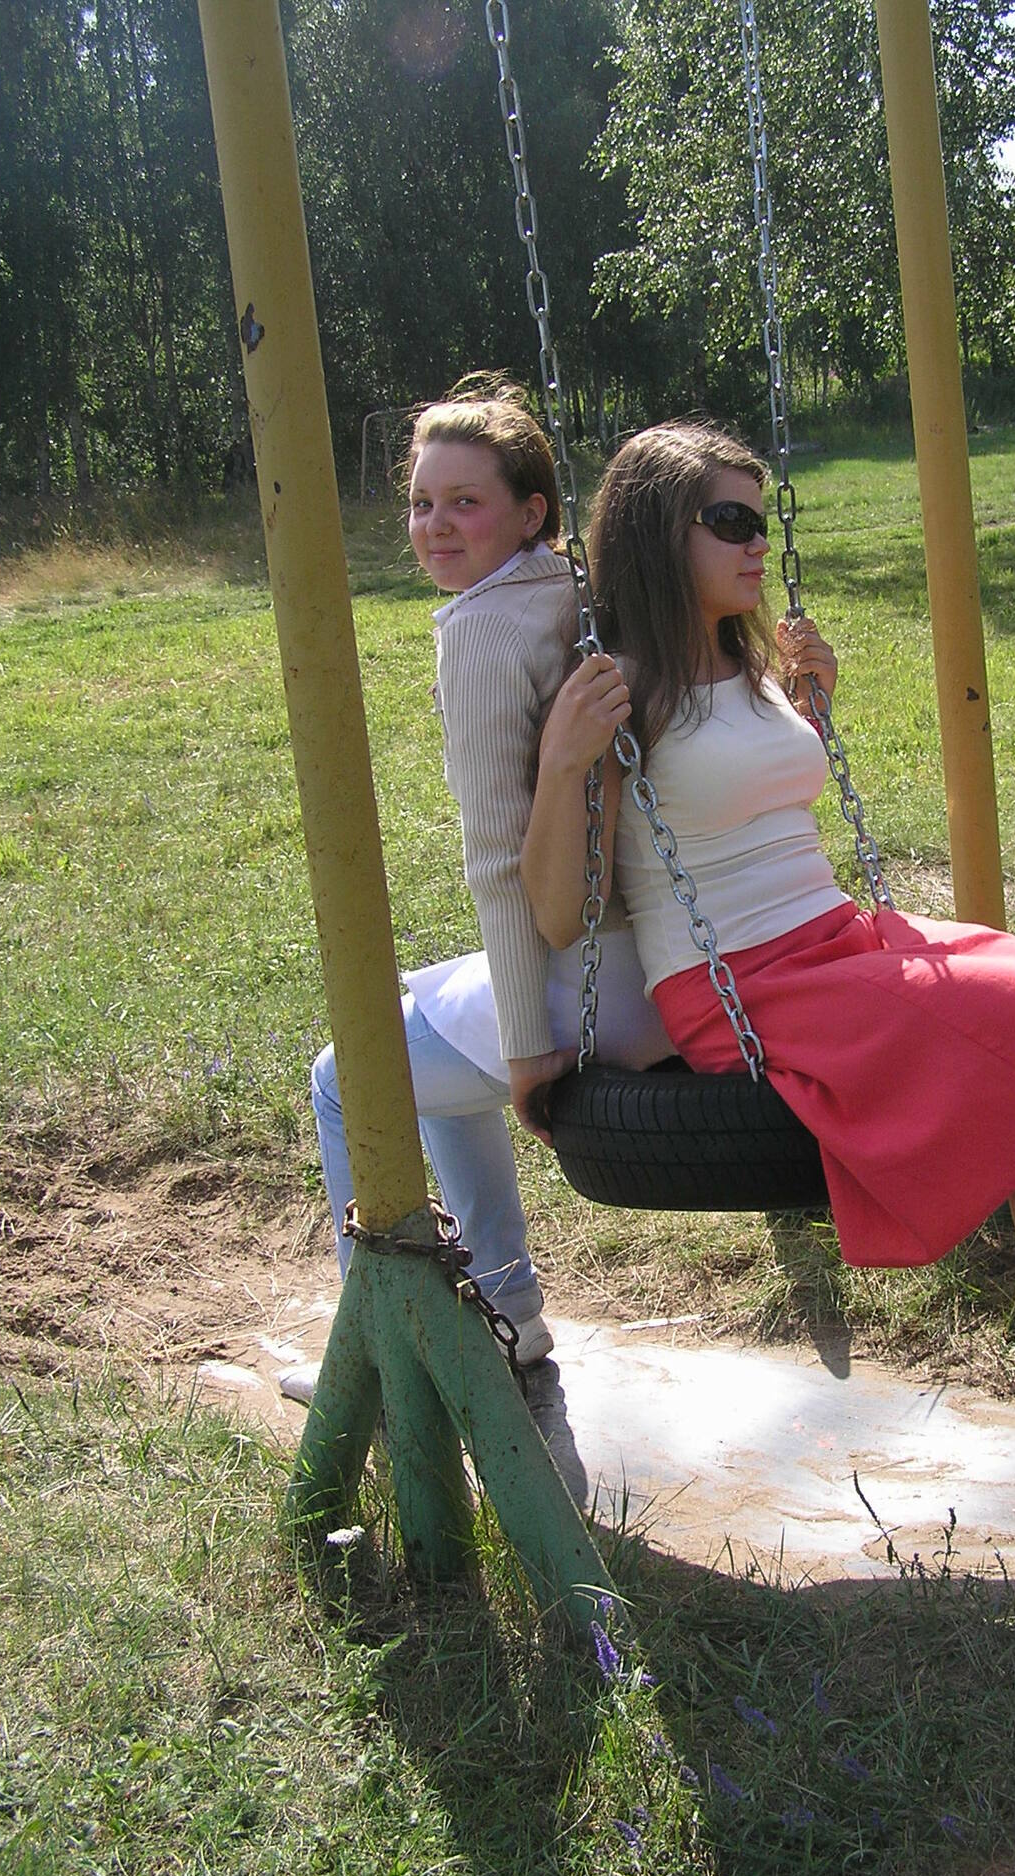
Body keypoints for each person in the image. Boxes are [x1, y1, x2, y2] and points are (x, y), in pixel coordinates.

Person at [520, 421, 1015, 1468]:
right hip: (749, 988)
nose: (758, 542)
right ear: (656, 532)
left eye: (760, 521)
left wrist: (808, 712)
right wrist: (563, 763)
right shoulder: (617, 689)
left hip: (841, 939)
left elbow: (749, 801)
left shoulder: (744, 658)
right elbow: (561, 914)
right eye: (729, 521)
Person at [292, 380, 668, 1403]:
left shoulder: (484, 632)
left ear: (530, 511)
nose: (436, 526)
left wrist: (526, 1041)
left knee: (347, 1077)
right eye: (422, 503)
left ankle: (379, 1358)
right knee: (425, 1026)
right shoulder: (571, 589)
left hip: (589, 982)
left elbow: (498, 860)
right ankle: (506, 1305)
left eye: (466, 502)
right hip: (654, 956)